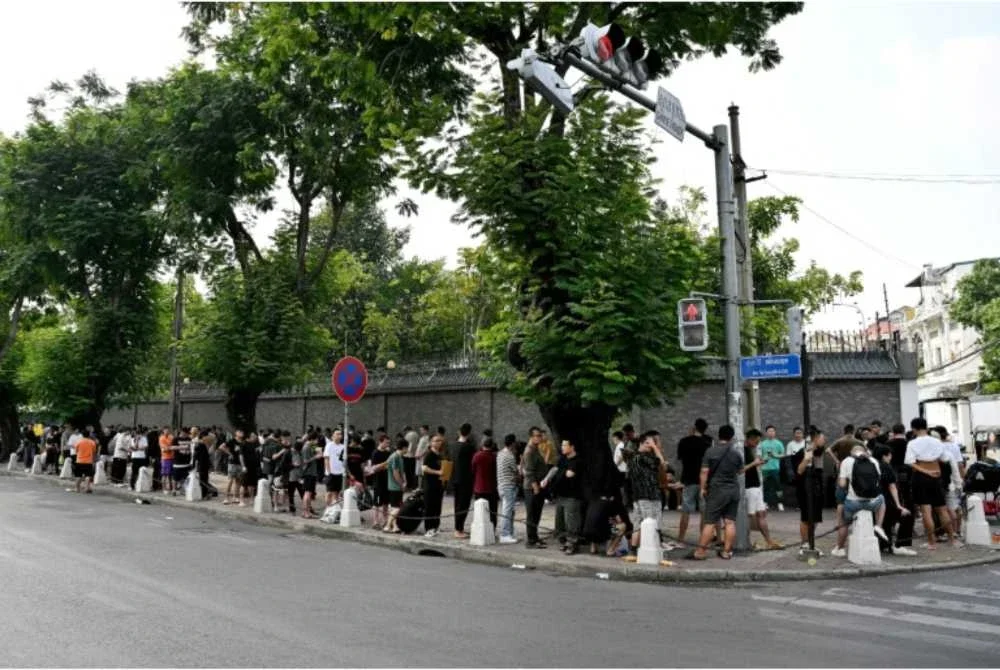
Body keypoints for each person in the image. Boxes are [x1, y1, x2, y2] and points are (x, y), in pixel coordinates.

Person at [904, 418, 959, 550]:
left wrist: (925, 471)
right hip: (936, 475)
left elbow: (910, 462)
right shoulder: (937, 441)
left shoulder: (912, 443)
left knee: (926, 511)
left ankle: (931, 542)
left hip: (920, 477)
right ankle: (952, 539)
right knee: (942, 509)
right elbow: (945, 458)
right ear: (926, 428)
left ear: (914, 429)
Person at [692, 425, 743, 560]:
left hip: (717, 490)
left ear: (718, 435)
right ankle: (726, 552)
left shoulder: (710, 452)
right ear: (732, 437)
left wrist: (702, 488)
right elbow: (739, 471)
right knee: (730, 522)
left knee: (710, 522)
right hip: (733, 490)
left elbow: (704, 471)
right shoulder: (736, 453)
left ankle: (701, 552)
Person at [542, 439, 585, 555]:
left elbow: (569, 474)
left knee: (571, 521)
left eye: (565, 445)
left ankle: (573, 544)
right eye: (562, 445)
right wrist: (546, 479)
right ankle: (565, 542)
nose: (562, 447)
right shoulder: (562, 459)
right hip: (560, 495)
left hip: (573, 496)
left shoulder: (578, 461)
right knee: (560, 521)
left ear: (572, 447)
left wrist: (561, 472)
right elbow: (555, 469)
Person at [743, 429, 782, 550]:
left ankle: (769, 541)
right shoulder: (742, 451)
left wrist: (759, 463)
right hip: (749, 487)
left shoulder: (750, 450)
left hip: (756, 486)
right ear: (750, 439)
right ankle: (746, 543)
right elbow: (740, 470)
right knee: (749, 516)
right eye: (756, 441)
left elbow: (752, 465)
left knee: (762, 514)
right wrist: (754, 463)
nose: (757, 444)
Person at [676, 419, 711, 544]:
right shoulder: (707, 443)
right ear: (705, 429)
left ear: (694, 427)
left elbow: (680, 459)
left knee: (685, 510)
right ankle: (702, 540)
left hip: (688, 479)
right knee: (704, 512)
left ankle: (680, 538)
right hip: (704, 481)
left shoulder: (684, 441)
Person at [421, 434, 446, 538]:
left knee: (437, 507)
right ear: (431, 442)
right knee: (429, 508)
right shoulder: (429, 454)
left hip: (439, 485)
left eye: (440, 441)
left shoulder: (440, 455)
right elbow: (424, 468)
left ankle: (435, 527)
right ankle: (428, 529)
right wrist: (437, 472)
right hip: (429, 485)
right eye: (436, 441)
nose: (438, 442)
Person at [496, 434, 519, 544]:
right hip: (508, 485)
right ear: (513, 443)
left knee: (509, 510)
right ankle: (505, 534)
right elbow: (516, 471)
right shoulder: (510, 456)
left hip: (501, 485)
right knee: (507, 511)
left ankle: (509, 533)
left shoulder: (500, 454)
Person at [758, 425, 785, 511]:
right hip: (764, 469)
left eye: (772, 431)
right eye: (769, 431)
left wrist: (775, 455)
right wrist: (763, 459)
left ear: (775, 432)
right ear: (766, 433)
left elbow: (783, 454)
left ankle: (780, 503)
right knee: (765, 487)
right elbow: (759, 456)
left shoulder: (778, 443)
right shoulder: (762, 443)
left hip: (775, 468)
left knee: (778, 486)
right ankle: (765, 503)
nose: (771, 433)